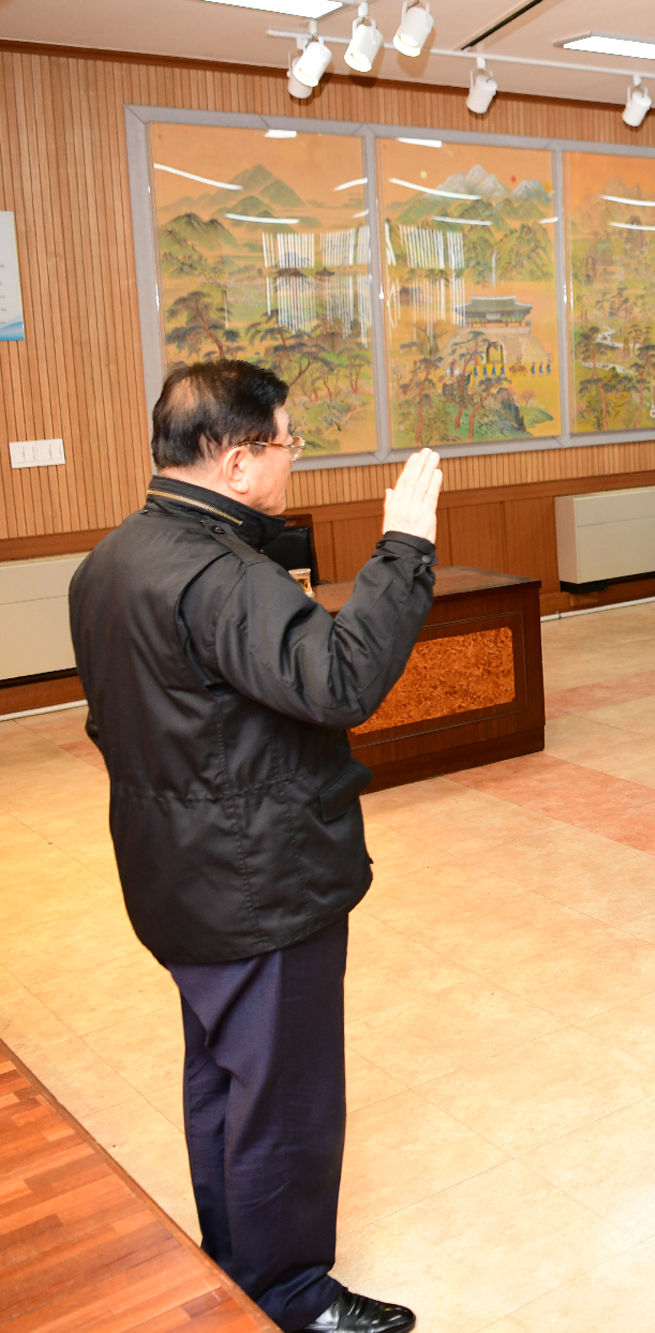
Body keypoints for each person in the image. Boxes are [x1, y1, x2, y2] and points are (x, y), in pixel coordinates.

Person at [68, 360, 438, 1333]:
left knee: (222, 1074)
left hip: (175, 870)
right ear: (236, 462)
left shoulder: (109, 559)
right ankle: (289, 1295)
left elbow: (116, 724)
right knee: (283, 1096)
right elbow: (344, 678)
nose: (293, 459)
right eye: (287, 443)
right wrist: (405, 544)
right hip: (257, 880)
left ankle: (237, 1259)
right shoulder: (224, 576)